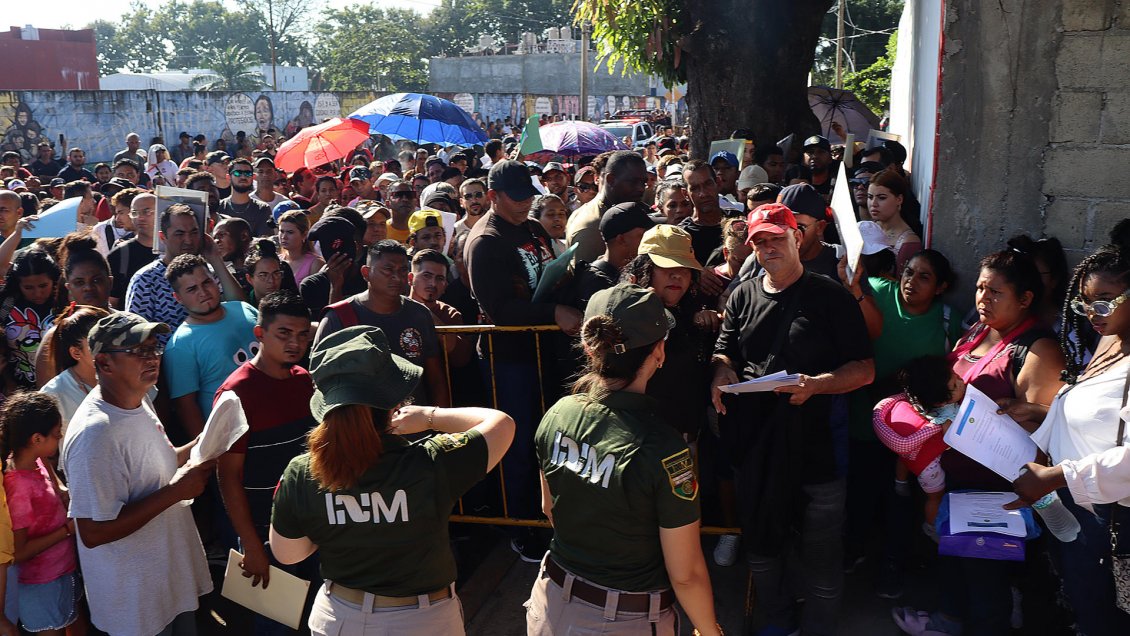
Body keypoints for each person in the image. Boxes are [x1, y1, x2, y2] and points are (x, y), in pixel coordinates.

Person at [269, 325, 515, 636]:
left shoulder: (302, 471)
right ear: (393, 403)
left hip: (339, 619)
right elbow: (501, 424)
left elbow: (288, 554)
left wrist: (344, 518)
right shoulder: (431, 462)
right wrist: (428, 416)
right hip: (422, 622)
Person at [710, 203, 874, 636]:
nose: (768, 248)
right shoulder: (743, 295)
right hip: (756, 448)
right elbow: (725, 349)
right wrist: (722, 370)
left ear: (796, 238)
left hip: (817, 450)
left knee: (821, 556)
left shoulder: (831, 297)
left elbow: (865, 369)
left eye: (776, 238)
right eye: (759, 242)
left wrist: (818, 385)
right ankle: (779, 623)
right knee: (763, 551)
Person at [528, 283, 721, 636]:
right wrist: (710, 630)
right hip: (623, 619)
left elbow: (549, 507)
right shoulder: (665, 451)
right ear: (659, 352)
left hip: (550, 601)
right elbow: (686, 573)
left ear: (589, 347)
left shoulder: (558, 413)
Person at [894, 247, 1066, 636]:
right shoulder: (978, 330)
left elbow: (1045, 438)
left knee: (987, 583)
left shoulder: (1038, 350)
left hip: (997, 490)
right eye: (979, 288)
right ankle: (948, 621)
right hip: (957, 477)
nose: (982, 300)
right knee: (956, 565)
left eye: (995, 292)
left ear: (1025, 299)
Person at [1005, 221, 1130, 636]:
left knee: (1103, 620)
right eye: (1086, 304)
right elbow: (1099, 416)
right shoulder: (1110, 339)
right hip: (1076, 507)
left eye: (1107, 302)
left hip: (1111, 522)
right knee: (1081, 606)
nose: (1094, 314)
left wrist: (1056, 476)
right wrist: (1040, 416)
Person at [61, 312, 214, 636]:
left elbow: (156, 465)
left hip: (167, 584)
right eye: (136, 351)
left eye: (153, 347)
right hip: (135, 606)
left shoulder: (140, 397)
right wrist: (178, 491)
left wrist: (207, 443)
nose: (151, 357)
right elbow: (92, 531)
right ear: (103, 364)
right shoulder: (95, 435)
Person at [465, 161, 583, 558]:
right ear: (493, 196)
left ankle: (549, 515)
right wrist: (552, 313)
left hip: (544, 352)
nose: (525, 202)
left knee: (547, 437)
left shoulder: (532, 228)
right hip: (509, 360)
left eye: (528, 194)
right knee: (517, 442)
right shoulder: (486, 241)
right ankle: (520, 524)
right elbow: (499, 309)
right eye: (516, 197)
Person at [214, 291, 317, 633]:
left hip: (313, 525)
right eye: (284, 333)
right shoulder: (235, 393)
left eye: (303, 335)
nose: (295, 343)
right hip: (264, 532)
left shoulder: (306, 380)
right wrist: (252, 545)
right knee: (277, 626)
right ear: (260, 334)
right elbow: (228, 476)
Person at [314, 240, 449, 408]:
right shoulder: (338, 317)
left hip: (415, 425)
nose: (396, 277)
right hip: (362, 426)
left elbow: (436, 378)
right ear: (366, 273)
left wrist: (438, 422)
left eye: (402, 270)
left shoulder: (420, 314)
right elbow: (320, 382)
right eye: (388, 270)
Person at [0, 392, 83, 635]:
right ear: (37, 438)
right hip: (42, 585)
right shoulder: (18, 489)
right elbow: (20, 552)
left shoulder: (35, 459)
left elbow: (48, 473)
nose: (60, 439)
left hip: (63, 570)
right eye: (56, 435)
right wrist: (67, 530)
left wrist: (62, 491)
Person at [164, 253, 259, 438]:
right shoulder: (179, 346)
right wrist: (207, 455)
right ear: (178, 297)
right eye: (192, 289)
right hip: (234, 439)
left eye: (206, 282)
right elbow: (186, 407)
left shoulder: (244, 308)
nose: (203, 292)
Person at [125, 203, 246, 339]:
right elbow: (136, 333)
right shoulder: (145, 279)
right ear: (163, 237)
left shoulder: (208, 272)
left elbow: (239, 307)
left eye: (194, 233)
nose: (188, 240)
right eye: (179, 234)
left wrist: (215, 259)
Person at [872, 355, 965, 525]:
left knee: (904, 457)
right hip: (928, 466)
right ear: (940, 400)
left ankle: (900, 481)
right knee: (935, 498)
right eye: (954, 384)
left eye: (956, 375)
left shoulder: (917, 401)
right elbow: (954, 438)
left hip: (910, 454)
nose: (961, 380)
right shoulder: (946, 418)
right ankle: (930, 527)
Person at [566, 151, 648, 264]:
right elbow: (591, 279)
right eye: (633, 182)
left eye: (643, 183)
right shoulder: (590, 228)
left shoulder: (628, 212)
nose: (641, 189)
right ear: (610, 179)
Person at [572, 202, 654, 310]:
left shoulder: (627, 271)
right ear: (621, 239)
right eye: (642, 235)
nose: (648, 240)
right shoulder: (595, 284)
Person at [40, 305, 111, 431]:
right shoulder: (54, 394)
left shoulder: (127, 376)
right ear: (76, 353)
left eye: (111, 338)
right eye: (96, 342)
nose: (108, 347)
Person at [1, 249, 59, 389]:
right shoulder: (6, 305)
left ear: (54, 279)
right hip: (15, 390)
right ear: (18, 284)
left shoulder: (65, 302)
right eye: (28, 287)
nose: (37, 293)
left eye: (43, 286)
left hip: (60, 389)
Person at [409, 249, 472, 369]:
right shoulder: (396, 308)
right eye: (426, 276)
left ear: (445, 286)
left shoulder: (450, 314)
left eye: (439, 278)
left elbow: (461, 359)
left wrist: (428, 316)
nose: (433, 283)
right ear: (411, 278)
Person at [107, 192, 157, 309]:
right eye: (135, 213)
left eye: (147, 211)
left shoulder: (173, 250)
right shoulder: (119, 254)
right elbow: (112, 302)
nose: (140, 217)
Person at [867, 169, 922, 270]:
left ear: (899, 199)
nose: (873, 204)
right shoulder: (867, 227)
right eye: (870, 197)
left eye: (882, 198)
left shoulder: (908, 243)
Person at [218, 159, 272, 237]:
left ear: (253, 177)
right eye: (237, 173)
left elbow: (263, 241)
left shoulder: (262, 209)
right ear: (228, 177)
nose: (243, 177)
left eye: (248, 173)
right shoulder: (219, 207)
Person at [277, 210, 324, 285]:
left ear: (304, 234)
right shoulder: (276, 260)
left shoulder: (315, 264)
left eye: (290, 232)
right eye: (281, 231)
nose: (284, 237)